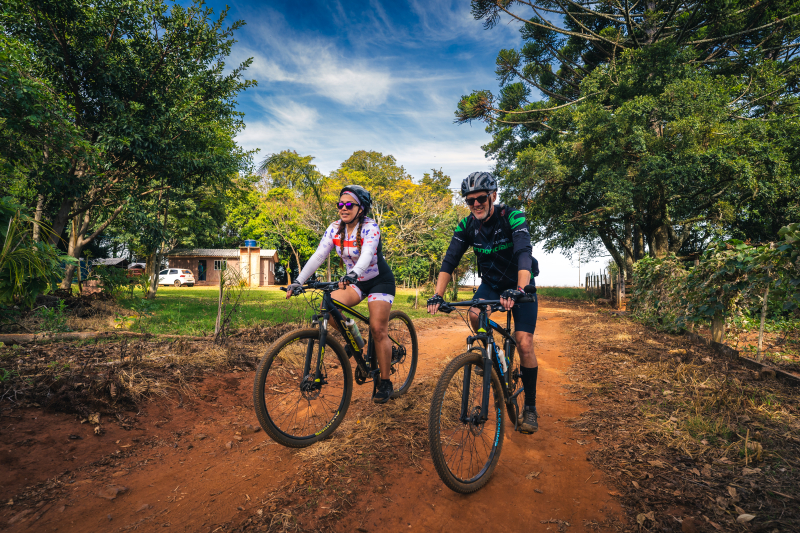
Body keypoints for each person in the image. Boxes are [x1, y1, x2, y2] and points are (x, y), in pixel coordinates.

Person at [427, 171, 540, 433]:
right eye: (470, 200)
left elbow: (524, 253)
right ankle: (488, 356)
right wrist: (438, 295)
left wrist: (520, 289)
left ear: (493, 196)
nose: (475, 204)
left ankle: (531, 408)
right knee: (476, 314)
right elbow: (450, 260)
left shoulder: (512, 216)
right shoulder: (467, 225)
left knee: (524, 342)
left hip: (519, 284)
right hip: (490, 284)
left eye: (480, 198)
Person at [286, 185, 397, 403]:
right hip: (355, 281)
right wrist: (298, 281)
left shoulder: (370, 227)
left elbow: (366, 255)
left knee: (378, 328)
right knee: (329, 307)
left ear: (361, 208)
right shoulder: (335, 228)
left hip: (379, 281)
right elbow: (318, 256)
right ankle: (356, 339)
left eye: (349, 205)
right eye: (340, 204)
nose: (343, 208)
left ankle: (385, 382)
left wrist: (354, 273)